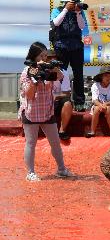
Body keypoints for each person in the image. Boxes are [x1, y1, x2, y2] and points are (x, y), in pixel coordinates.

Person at [20, 41, 73, 181]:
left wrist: (54, 67)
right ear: (34, 56)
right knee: (31, 142)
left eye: (45, 55)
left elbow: (61, 77)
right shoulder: (27, 71)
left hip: (47, 110)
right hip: (31, 111)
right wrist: (35, 79)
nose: (44, 58)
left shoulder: (48, 69)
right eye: (41, 56)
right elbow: (29, 95)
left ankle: (61, 169)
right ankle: (30, 173)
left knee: (55, 142)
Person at [50, 0, 87, 110]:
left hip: (76, 46)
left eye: (77, 1)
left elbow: (82, 26)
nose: (75, 4)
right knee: (60, 73)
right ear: (66, 2)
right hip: (61, 46)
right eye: (73, 2)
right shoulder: (57, 10)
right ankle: (60, 100)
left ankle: (79, 102)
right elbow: (55, 23)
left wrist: (78, 13)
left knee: (78, 74)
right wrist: (65, 9)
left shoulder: (79, 12)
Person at [49, 50, 74, 143]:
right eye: (49, 59)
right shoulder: (40, 72)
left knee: (67, 103)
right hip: (44, 100)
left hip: (58, 100)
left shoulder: (64, 73)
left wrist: (55, 96)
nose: (51, 62)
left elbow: (67, 93)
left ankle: (62, 130)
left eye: (54, 59)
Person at [88, 65, 110, 138]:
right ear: (101, 77)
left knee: (108, 109)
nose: (108, 78)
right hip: (98, 105)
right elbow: (94, 100)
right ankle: (92, 131)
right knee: (96, 109)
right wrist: (101, 105)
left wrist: (104, 105)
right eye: (106, 75)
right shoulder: (95, 85)